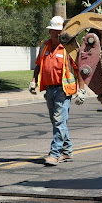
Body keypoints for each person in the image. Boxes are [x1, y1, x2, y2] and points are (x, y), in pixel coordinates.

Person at [30, 16, 86, 166]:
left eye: (59, 31)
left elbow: (79, 69)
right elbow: (39, 65)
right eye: (54, 31)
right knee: (57, 123)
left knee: (59, 122)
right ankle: (67, 152)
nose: (57, 34)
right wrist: (34, 81)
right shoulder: (44, 46)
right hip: (49, 90)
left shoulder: (69, 48)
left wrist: (82, 90)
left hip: (63, 91)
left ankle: (55, 154)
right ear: (50, 32)